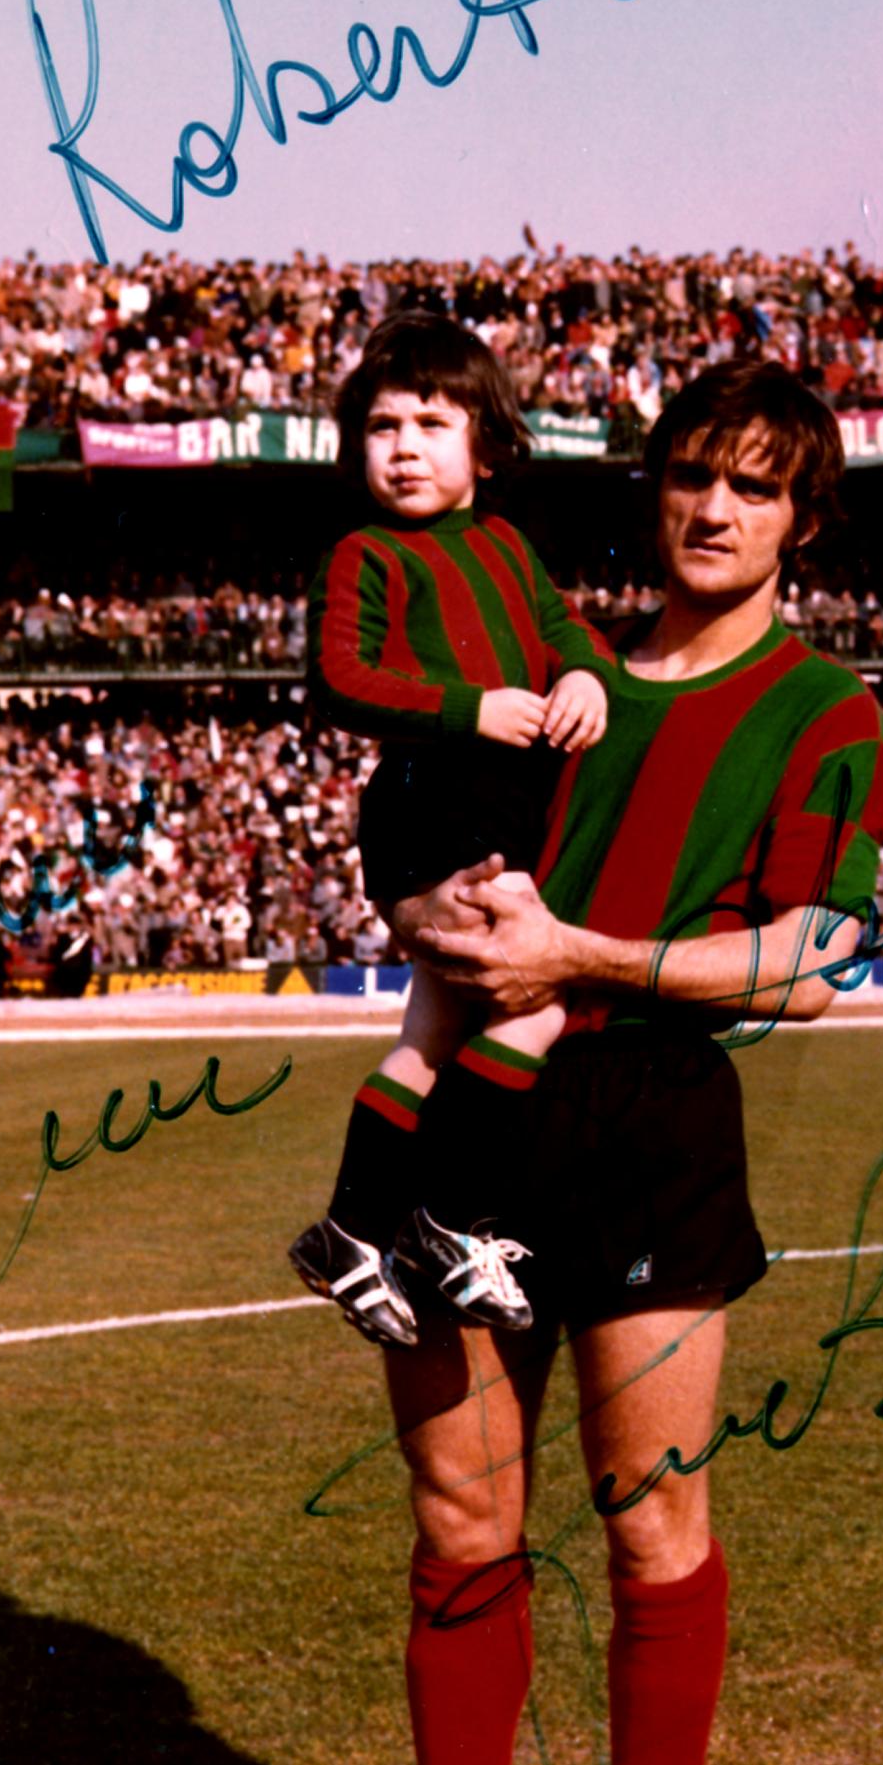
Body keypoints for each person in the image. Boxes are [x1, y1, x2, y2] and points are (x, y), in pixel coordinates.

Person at [313, 359, 883, 1765]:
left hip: (648, 1113)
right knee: (459, 1514)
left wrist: (589, 955)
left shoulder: (822, 707)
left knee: (652, 1523)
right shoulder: (546, 677)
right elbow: (410, 832)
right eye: (693, 474)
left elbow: (814, 961)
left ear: (802, 517)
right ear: (652, 490)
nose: (715, 509)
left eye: (757, 486)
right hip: (472, 1114)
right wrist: (417, 915)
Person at [288, 314, 611, 1345]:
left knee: (430, 1037)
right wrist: (471, 707)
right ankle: (445, 1219)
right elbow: (340, 677)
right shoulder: (366, 553)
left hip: (497, 807)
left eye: (432, 424)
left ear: (489, 445)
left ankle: (348, 1232)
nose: (404, 447)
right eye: (383, 427)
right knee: (536, 1009)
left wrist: (584, 674)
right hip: (436, 802)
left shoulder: (505, 546)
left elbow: (562, 629)